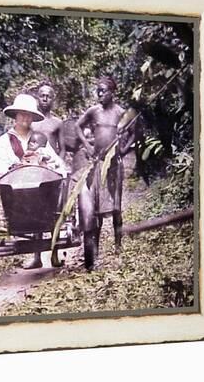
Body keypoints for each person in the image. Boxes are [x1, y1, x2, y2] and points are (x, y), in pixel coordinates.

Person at [0, 94, 66, 269]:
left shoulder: (39, 138)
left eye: (29, 115)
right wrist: (14, 168)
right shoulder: (5, 140)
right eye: (21, 114)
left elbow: (55, 161)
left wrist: (52, 166)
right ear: (15, 116)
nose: (25, 118)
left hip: (39, 188)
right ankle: (36, 257)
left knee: (46, 201)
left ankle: (52, 251)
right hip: (16, 190)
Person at [75, 76, 135, 267]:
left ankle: (118, 247)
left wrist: (124, 150)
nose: (100, 94)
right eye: (98, 91)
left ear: (112, 92)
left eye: (103, 91)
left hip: (115, 164)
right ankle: (96, 249)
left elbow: (135, 131)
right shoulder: (94, 112)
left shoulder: (120, 112)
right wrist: (86, 144)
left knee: (116, 207)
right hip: (98, 162)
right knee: (97, 209)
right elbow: (77, 126)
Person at [31, 84, 66, 159]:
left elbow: (62, 149)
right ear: (37, 98)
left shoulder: (58, 123)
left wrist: (59, 164)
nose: (45, 99)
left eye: (48, 97)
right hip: (32, 162)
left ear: (53, 99)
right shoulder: (30, 121)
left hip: (51, 163)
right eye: (42, 96)